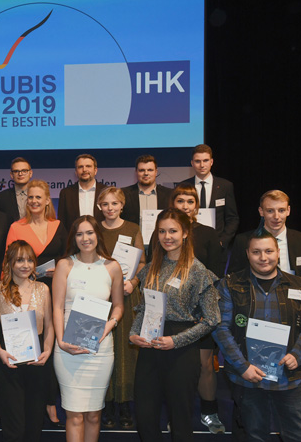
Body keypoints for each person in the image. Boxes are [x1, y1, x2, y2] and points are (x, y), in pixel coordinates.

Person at [214, 229, 301, 442]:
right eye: (256, 252)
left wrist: (297, 355)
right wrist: (242, 366)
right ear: (247, 254)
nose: (263, 257)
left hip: (288, 375)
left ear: (278, 252)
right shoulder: (230, 285)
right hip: (248, 377)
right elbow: (220, 329)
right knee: (254, 435)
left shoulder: (298, 285)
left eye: (269, 251)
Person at [129, 208, 220, 442]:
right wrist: (133, 333)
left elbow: (212, 319)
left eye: (173, 231)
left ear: (186, 233)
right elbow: (145, 307)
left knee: (180, 418)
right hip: (149, 345)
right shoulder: (150, 268)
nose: (167, 236)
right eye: (162, 231)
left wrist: (175, 340)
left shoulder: (199, 271)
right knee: (145, 415)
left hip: (181, 348)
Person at [53, 216, 124, 442]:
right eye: (80, 234)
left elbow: (119, 306)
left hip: (100, 349)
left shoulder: (112, 267)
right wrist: (61, 341)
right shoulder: (64, 265)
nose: (85, 238)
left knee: (94, 415)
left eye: (90, 233)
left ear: (97, 235)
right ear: (74, 238)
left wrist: (110, 325)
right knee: (74, 415)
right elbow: (57, 306)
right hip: (67, 348)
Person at [4, 179, 67, 427]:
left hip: (55, 291)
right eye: (30, 197)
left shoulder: (59, 226)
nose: (34, 201)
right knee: (29, 349)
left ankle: (50, 402)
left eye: (38, 197)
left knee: (50, 349)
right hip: (23, 293)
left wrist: (59, 270)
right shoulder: (16, 227)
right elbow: (7, 262)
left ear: (47, 200)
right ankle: (29, 405)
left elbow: (68, 258)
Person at [170, 183, 225, 434]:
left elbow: (216, 275)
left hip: (201, 310)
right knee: (177, 366)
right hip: (173, 311)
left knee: (205, 365)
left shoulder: (209, 234)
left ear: (197, 206)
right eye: (180, 201)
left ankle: (209, 412)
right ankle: (178, 414)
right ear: (173, 205)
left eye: (189, 202)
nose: (185, 206)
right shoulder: (165, 232)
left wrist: (202, 303)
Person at [0, 240, 54, 442]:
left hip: (37, 363)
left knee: (34, 425)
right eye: (19, 260)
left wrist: (48, 350)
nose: (25, 265)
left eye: (29, 260)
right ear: (9, 264)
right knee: (14, 428)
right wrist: (0, 351)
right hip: (9, 364)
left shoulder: (43, 289)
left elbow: (50, 325)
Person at [94, 187, 146, 430]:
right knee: (103, 347)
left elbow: (143, 261)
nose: (110, 208)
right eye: (105, 204)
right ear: (99, 207)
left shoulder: (133, 228)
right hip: (100, 296)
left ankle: (125, 404)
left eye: (115, 203)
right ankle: (106, 402)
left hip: (126, 294)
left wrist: (133, 282)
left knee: (126, 350)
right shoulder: (94, 229)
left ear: (122, 205)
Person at [228, 190, 301, 309]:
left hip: (295, 308)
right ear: (261, 212)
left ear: (288, 211)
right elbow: (233, 279)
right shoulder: (243, 241)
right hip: (255, 308)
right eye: (270, 211)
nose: (276, 217)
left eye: (281, 210)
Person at [180, 144, 239, 267]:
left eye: (205, 160)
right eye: (198, 161)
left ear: (211, 162)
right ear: (192, 163)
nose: (202, 165)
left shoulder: (225, 186)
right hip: (189, 246)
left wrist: (222, 241)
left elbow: (232, 218)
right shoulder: (183, 186)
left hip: (216, 247)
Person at [120, 154, 172, 232]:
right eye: (142, 170)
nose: (146, 173)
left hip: (161, 241)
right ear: (136, 172)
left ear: (156, 172)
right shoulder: (123, 194)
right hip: (133, 242)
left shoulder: (169, 194)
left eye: (150, 170)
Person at [57, 154, 107, 229]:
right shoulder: (66, 193)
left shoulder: (106, 191)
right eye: (80, 167)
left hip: (103, 238)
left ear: (95, 170)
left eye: (88, 166)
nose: (84, 170)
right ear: (76, 172)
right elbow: (62, 224)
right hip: (75, 239)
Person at [0, 157, 33, 222]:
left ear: (30, 173)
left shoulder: (39, 196)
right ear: (11, 175)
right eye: (16, 171)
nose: (20, 174)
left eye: (24, 171)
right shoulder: (1, 197)